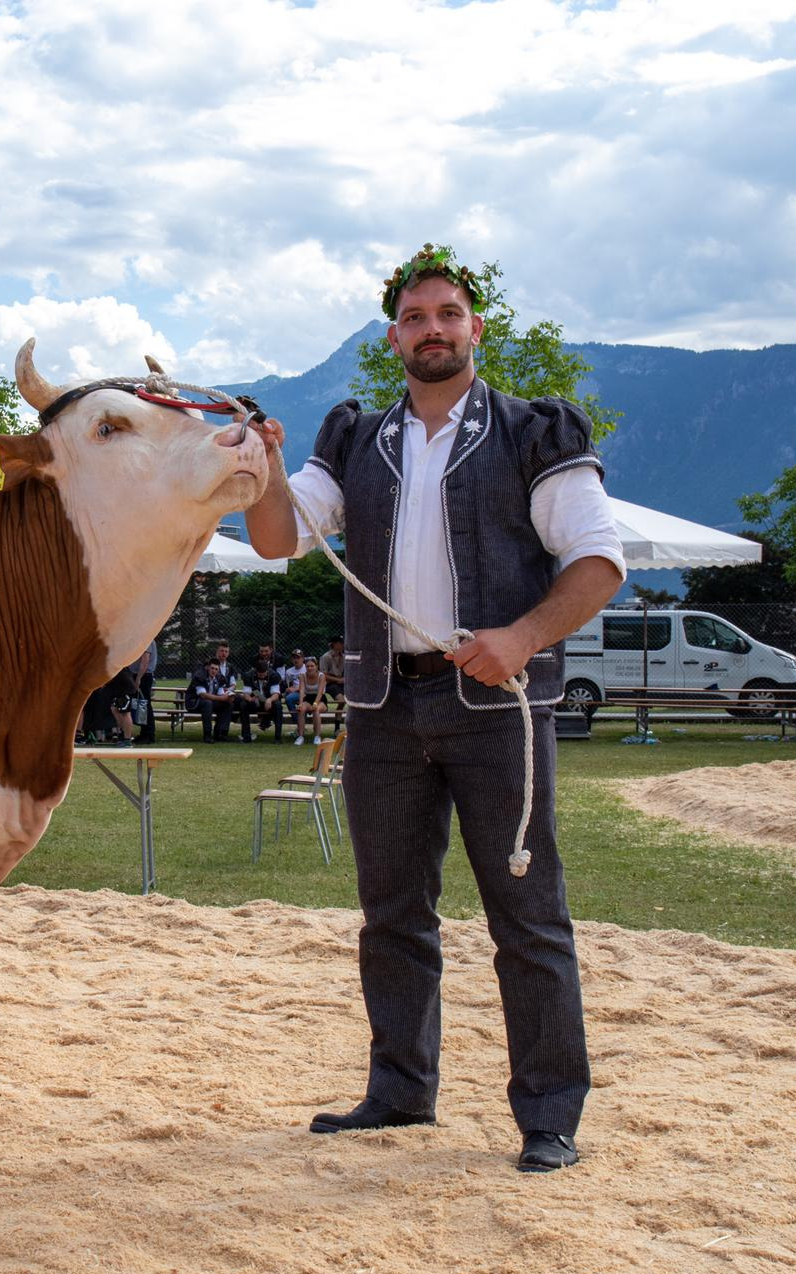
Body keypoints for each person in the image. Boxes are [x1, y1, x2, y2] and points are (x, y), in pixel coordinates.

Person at [242, 242, 626, 1173]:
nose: (432, 331)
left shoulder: (535, 431)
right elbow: (275, 540)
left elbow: (599, 562)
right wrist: (261, 466)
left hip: (497, 710)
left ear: (475, 329)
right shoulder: (353, 439)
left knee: (528, 918)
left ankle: (548, 1118)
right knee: (391, 914)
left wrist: (524, 638)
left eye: (447, 315)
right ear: (394, 339)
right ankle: (401, 1092)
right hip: (384, 707)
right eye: (415, 319)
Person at [238, 643, 286, 743]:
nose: (261, 677)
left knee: (277, 705)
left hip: (268, 701)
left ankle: (278, 738)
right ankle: (246, 736)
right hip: (254, 701)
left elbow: (276, 693)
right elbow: (245, 693)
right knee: (243, 704)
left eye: (263, 675)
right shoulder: (249, 675)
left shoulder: (274, 675)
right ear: (255, 671)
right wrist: (250, 699)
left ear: (267, 672)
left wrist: (270, 700)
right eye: (259, 675)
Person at [185, 661, 233, 743]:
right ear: (208, 668)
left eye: (216, 669)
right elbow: (203, 695)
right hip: (194, 702)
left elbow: (220, 693)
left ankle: (220, 733)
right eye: (212, 668)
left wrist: (228, 697)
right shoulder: (200, 676)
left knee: (227, 704)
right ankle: (207, 735)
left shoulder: (220, 678)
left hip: (209, 702)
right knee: (207, 703)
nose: (214, 671)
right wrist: (222, 698)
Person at [292, 654, 327, 744]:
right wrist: (300, 703)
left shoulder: (321, 676)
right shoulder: (302, 676)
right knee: (301, 709)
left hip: (320, 698)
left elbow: (320, 692)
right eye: (307, 666)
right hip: (308, 698)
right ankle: (300, 736)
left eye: (312, 666)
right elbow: (302, 690)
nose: (310, 668)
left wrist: (315, 703)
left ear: (316, 666)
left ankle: (317, 736)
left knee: (316, 710)